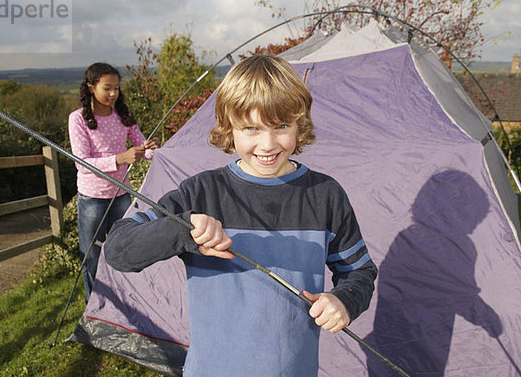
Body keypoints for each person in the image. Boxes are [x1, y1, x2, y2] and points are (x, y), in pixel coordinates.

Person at [104, 55, 377, 376]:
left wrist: (343, 300)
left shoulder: (325, 195)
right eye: (251, 128)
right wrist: (181, 230)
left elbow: (360, 273)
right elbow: (118, 250)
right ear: (228, 127)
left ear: (299, 124)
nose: (268, 143)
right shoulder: (200, 193)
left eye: (281, 126)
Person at [68, 62, 159, 303]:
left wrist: (152, 148)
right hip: (92, 199)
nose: (113, 94)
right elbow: (82, 163)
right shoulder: (77, 119)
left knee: (124, 251)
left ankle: (125, 301)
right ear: (90, 87)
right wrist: (120, 158)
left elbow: (141, 146)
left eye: (117, 88)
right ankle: (95, 306)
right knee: (92, 255)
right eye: (107, 88)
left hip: (121, 196)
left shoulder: (123, 116)